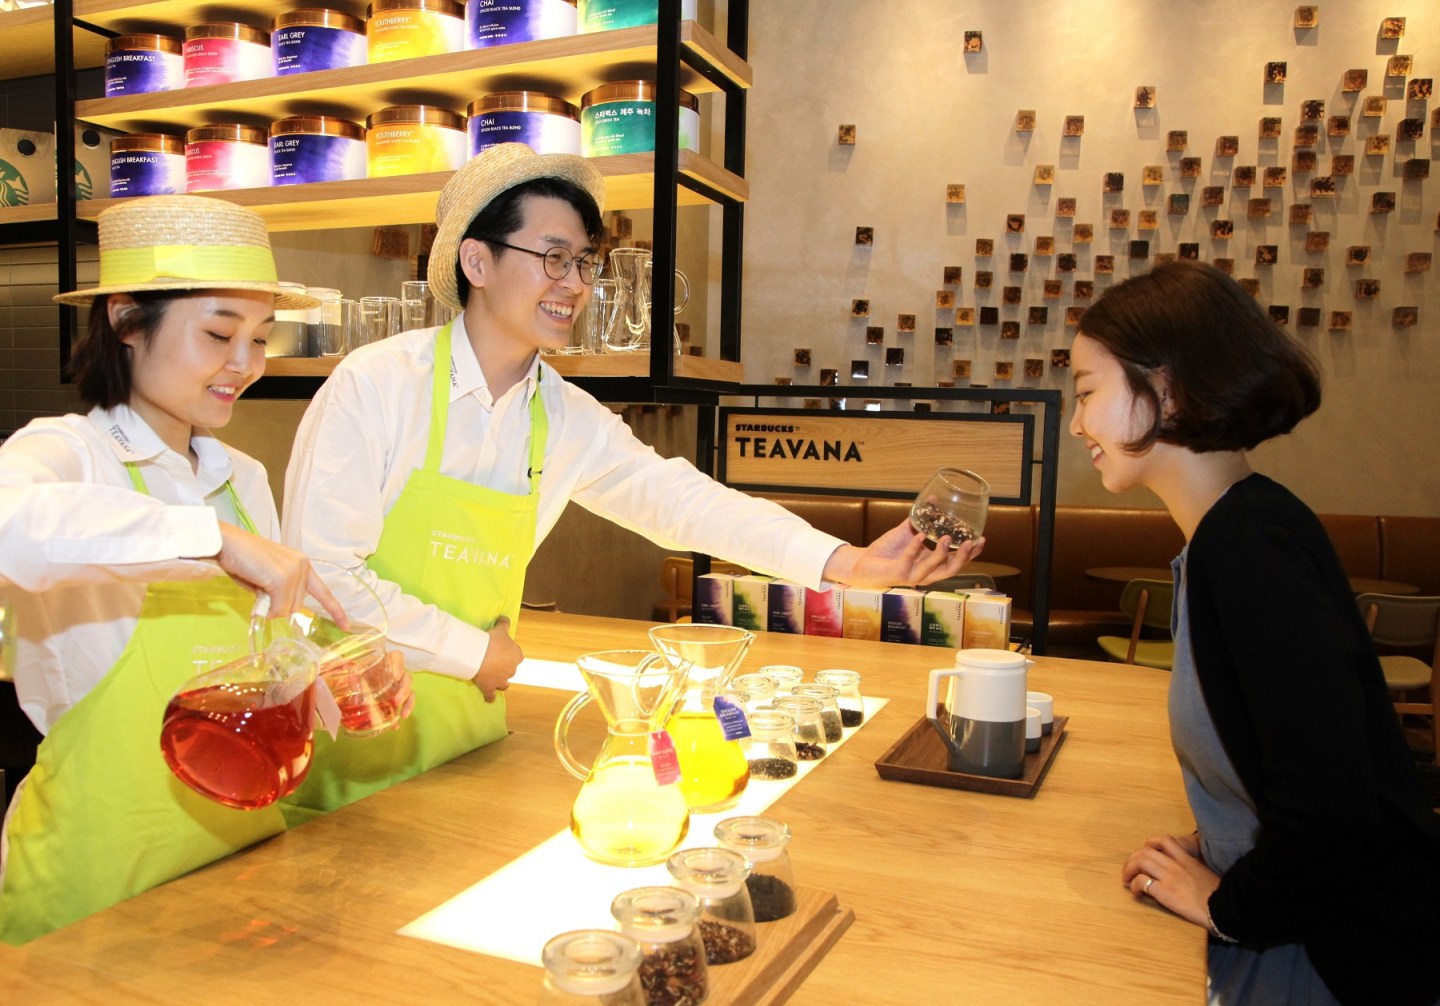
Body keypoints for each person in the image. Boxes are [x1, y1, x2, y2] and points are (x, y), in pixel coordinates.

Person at [282, 142, 984, 812]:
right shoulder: (376, 385)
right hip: (350, 750)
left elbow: (684, 502)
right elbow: (321, 576)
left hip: (468, 741)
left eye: (583, 263)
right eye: (553, 258)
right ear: (477, 260)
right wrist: (473, 653)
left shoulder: (564, 416)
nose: (575, 285)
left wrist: (846, 563)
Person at [1068, 260, 1440, 1005]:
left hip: (1341, 955)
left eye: (1086, 392)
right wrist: (1218, 845)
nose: (1077, 424)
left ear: (1165, 389)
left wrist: (1226, 905)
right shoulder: (1232, 532)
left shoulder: (1251, 550)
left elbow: (1332, 808)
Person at [0, 195, 365, 945]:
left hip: (239, 866)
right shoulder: (66, 453)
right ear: (127, 321)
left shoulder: (242, 478)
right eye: (219, 334)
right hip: (97, 880)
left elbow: (259, 652)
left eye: (260, 338)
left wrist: (317, 675)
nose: (245, 365)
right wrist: (212, 541)